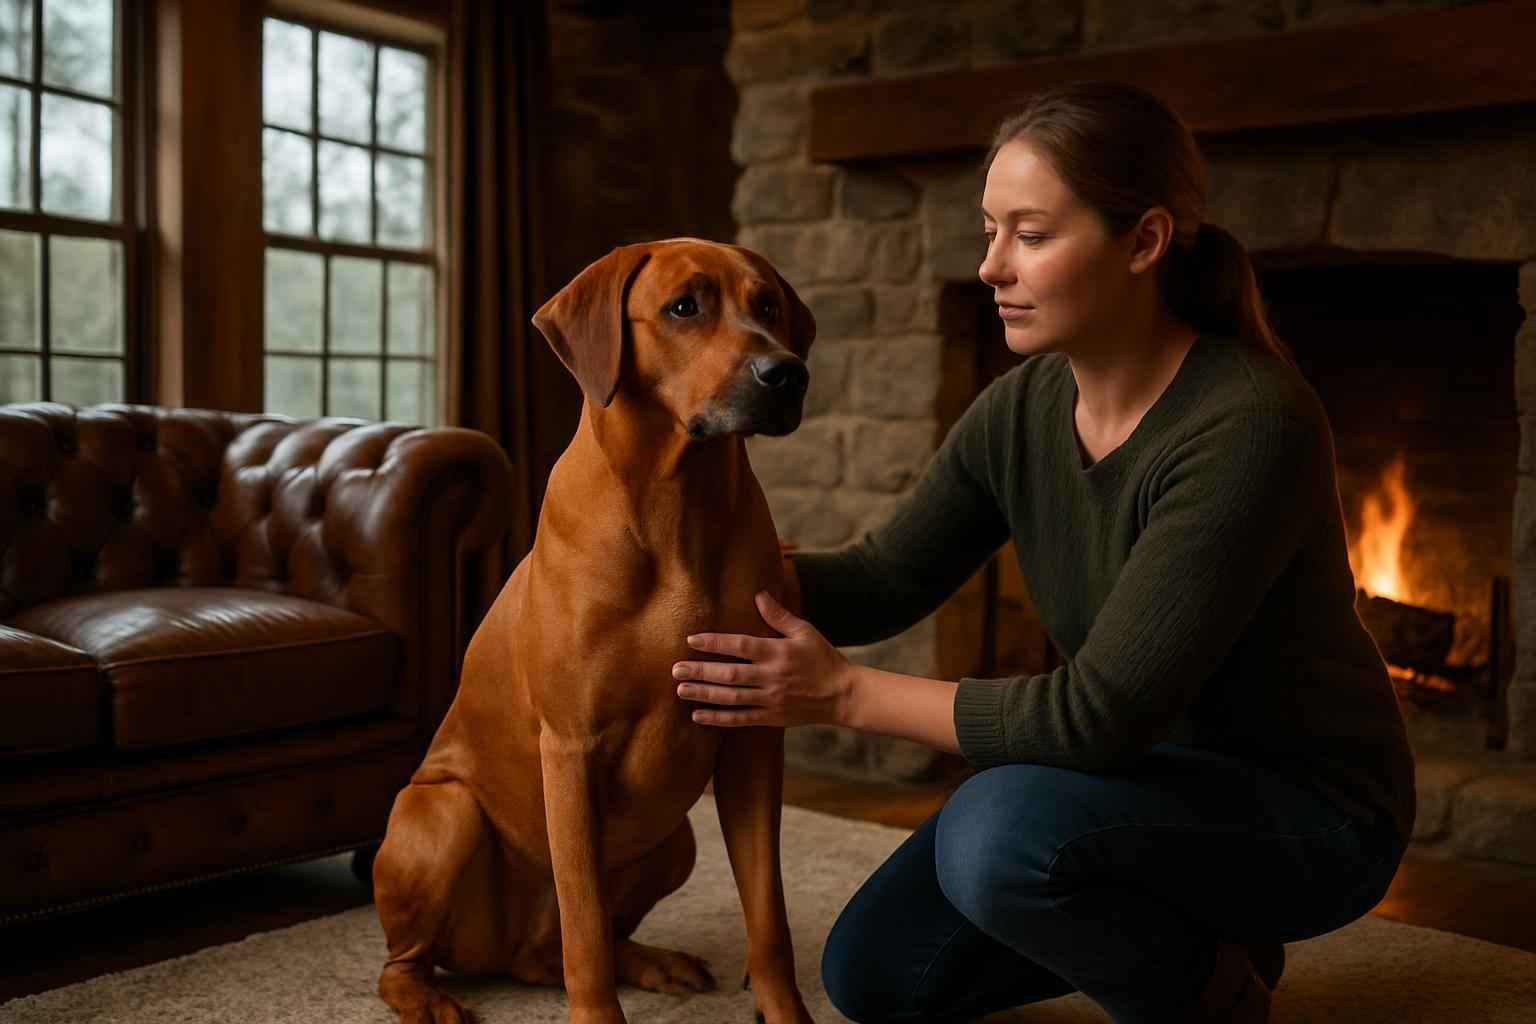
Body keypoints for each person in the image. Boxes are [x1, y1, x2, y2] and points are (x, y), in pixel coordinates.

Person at [669, 80, 1415, 1024]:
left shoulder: (1249, 423)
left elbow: (1093, 718)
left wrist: (843, 694)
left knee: (995, 832)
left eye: (1029, 235)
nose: (990, 268)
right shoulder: (1022, 407)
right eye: (989, 232)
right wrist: (706, 573)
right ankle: (1195, 931)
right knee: (875, 976)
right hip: (1136, 788)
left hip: (1308, 812)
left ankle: (1213, 997)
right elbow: (885, 576)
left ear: (1143, 242)